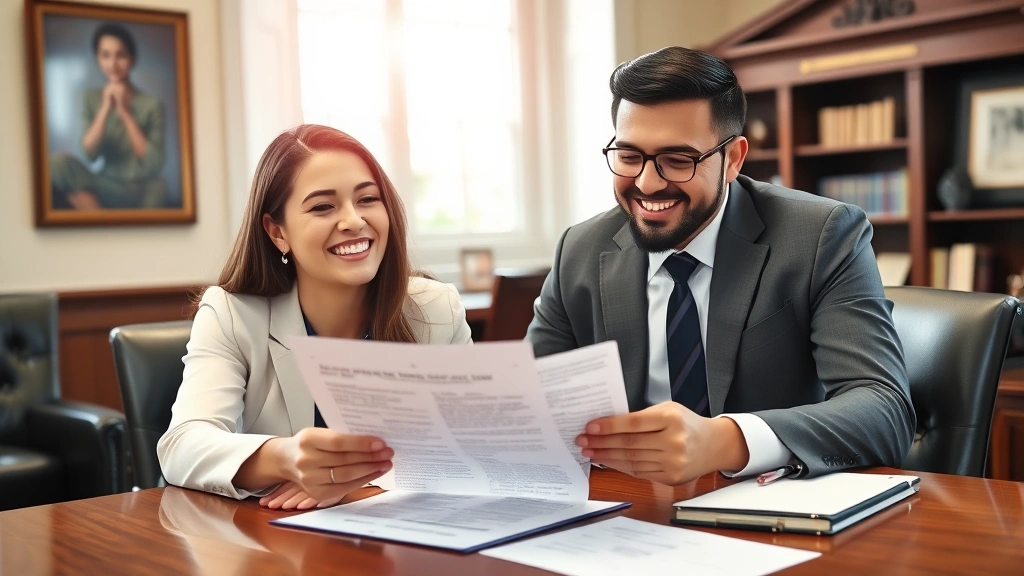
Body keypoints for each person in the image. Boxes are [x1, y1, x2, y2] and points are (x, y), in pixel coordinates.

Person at [526, 47, 916, 485]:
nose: (647, 183)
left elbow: (884, 410)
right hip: (630, 511)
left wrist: (723, 440)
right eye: (630, 156)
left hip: (772, 512)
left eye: (678, 160)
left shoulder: (823, 236)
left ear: (732, 159)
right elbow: (531, 406)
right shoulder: (579, 249)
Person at [158, 125, 472, 509]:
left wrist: (358, 485)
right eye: (323, 206)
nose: (353, 221)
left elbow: (468, 444)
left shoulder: (437, 309)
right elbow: (181, 446)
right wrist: (287, 458)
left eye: (368, 199)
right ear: (277, 233)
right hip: (274, 546)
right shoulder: (231, 314)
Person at [50, 22, 166, 210]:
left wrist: (125, 114)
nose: (113, 64)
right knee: (59, 164)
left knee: (159, 186)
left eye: (120, 55)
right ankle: (102, 228)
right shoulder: (91, 98)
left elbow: (152, 164)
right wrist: (105, 109)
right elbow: (89, 155)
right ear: (98, 59)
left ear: (133, 59)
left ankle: (103, 225)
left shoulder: (152, 104)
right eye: (105, 55)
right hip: (105, 184)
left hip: (140, 186)